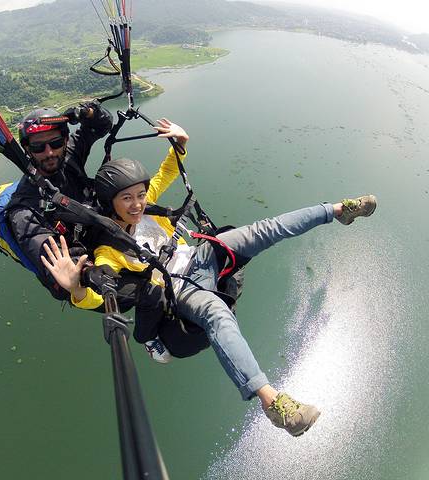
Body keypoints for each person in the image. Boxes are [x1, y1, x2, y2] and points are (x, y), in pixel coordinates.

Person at [39, 118, 377, 436]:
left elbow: (167, 172)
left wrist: (180, 144)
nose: (137, 204)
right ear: (110, 203)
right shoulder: (109, 250)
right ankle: (273, 403)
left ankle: (337, 210)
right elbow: (106, 296)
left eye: (140, 195)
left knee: (264, 230)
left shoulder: (147, 205)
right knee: (217, 315)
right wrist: (76, 290)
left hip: (200, 256)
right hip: (179, 288)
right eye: (127, 198)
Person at [4, 102, 113, 300]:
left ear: (65, 140)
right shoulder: (23, 209)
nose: (49, 153)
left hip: (103, 230)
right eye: (38, 147)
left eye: (55, 143)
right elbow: (49, 256)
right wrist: (87, 273)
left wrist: (87, 112)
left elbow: (102, 125)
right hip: (87, 264)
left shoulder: (69, 157)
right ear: (27, 149)